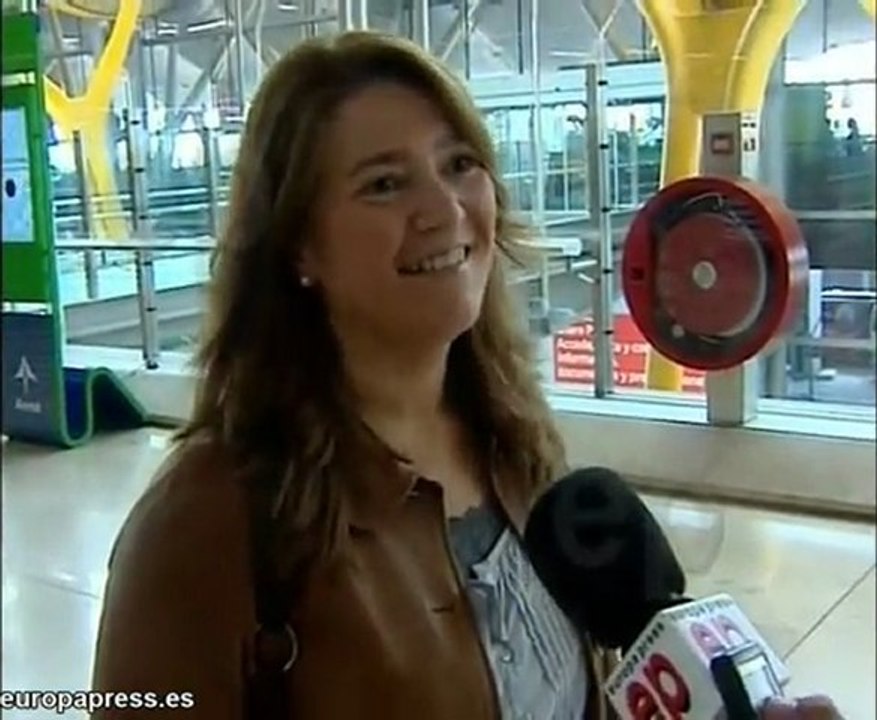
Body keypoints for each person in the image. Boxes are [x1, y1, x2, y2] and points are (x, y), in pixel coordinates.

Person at [90, 31, 846, 720]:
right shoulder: (207, 523)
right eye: (384, 184)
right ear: (298, 250)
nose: (444, 208)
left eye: (458, 164)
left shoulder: (517, 450)